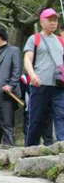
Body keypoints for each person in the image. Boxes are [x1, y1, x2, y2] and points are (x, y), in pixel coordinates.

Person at [23, 8, 64, 146]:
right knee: (36, 119)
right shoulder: (34, 38)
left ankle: (62, 145)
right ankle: (30, 148)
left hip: (59, 86)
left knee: (61, 115)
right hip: (40, 85)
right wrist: (32, 74)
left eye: (55, 20)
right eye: (50, 20)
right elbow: (27, 59)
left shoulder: (60, 40)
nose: (53, 23)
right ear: (41, 22)